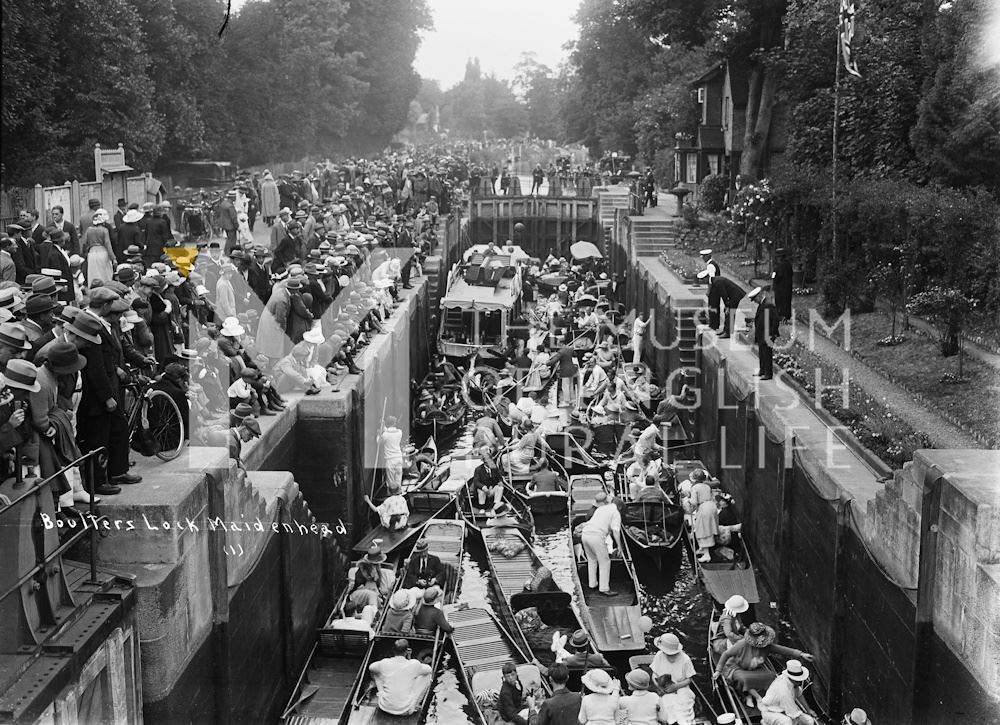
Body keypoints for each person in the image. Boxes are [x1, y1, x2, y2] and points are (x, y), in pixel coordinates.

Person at [713, 623, 814, 705]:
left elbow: (783, 650)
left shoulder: (767, 646)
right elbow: (726, 654)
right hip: (737, 668)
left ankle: (770, 696)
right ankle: (749, 695)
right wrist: (718, 670)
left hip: (755, 668)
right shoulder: (742, 644)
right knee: (744, 679)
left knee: (771, 676)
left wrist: (801, 654)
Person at [368, 639, 433, 716]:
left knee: (376, 672)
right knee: (427, 675)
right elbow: (429, 669)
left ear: (393, 650)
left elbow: (371, 667)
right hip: (406, 710)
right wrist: (409, 658)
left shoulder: (384, 662)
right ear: (407, 651)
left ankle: (381, 692)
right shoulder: (414, 664)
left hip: (384, 707)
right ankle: (416, 703)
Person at [579, 491, 623, 596]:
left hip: (585, 534)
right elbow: (616, 530)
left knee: (592, 560)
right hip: (596, 536)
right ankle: (604, 588)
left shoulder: (600, 509)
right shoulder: (615, 513)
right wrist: (620, 547)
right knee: (605, 562)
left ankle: (592, 584)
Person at [651, 633, 696, 725]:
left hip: (681, 688)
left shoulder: (685, 659)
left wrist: (675, 686)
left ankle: (684, 722)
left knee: (684, 706)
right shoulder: (659, 655)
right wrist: (660, 688)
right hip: (665, 688)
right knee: (668, 704)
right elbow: (654, 674)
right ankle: (673, 722)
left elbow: (689, 679)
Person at [758, 660, 817, 725]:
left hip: (784, 710)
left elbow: (799, 694)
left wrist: (808, 710)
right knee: (787, 722)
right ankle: (766, 722)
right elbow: (794, 713)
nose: (800, 682)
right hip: (770, 712)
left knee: (810, 721)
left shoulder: (793, 682)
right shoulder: (784, 690)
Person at [748, 286, 779, 380]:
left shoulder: (768, 305)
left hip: (767, 334)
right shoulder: (763, 304)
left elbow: (775, 320)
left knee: (767, 353)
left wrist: (771, 334)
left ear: (759, 296)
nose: (755, 301)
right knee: (762, 352)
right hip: (762, 334)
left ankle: (768, 373)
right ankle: (762, 370)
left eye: (755, 299)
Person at [82, 209, 116, 283]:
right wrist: (113, 258)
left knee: (93, 273)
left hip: (92, 253)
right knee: (105, 272)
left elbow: (84, 243)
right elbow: (107, 244)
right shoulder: (104, 230)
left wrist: (85, 253)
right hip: (103, 252)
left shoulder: (89, 230)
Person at [498, 661, 536, 725]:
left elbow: (519, 695)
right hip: (511, 715)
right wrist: (526, 723)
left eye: (512, 675)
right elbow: (511, 714)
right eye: (508, 676)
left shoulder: (517, 681)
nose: (511, 678)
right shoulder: (505, 692)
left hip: (518, 708)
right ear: (504, 677)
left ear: (516, 673)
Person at [691, 482, 718, 562]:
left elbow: (694, 502)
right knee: (709, 528)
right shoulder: (707, 486)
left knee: (702, 530)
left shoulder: (695, 487)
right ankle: (702, 548)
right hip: (711, 506)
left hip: (704, 509)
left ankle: (707, 555)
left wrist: (688, 500)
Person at [379, 415, 404, 490]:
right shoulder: (399, 432)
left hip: (390, 460)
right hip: (399, 458)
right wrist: (383, 426)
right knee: (398, 479)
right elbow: (390, 432)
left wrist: (379, 433)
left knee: (390, 481)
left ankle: (391, 496)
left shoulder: (385, 435)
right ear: (394, 423)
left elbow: (379, 442)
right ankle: (399, 494)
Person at [772, 248, 793, 322]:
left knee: (780, 301)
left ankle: (781, 315)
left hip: (780, 287)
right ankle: (787, 316)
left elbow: (777, 277)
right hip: (788, 287)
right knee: (787, 301)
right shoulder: (788, 264)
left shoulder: (779, 266)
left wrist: (774, 278)